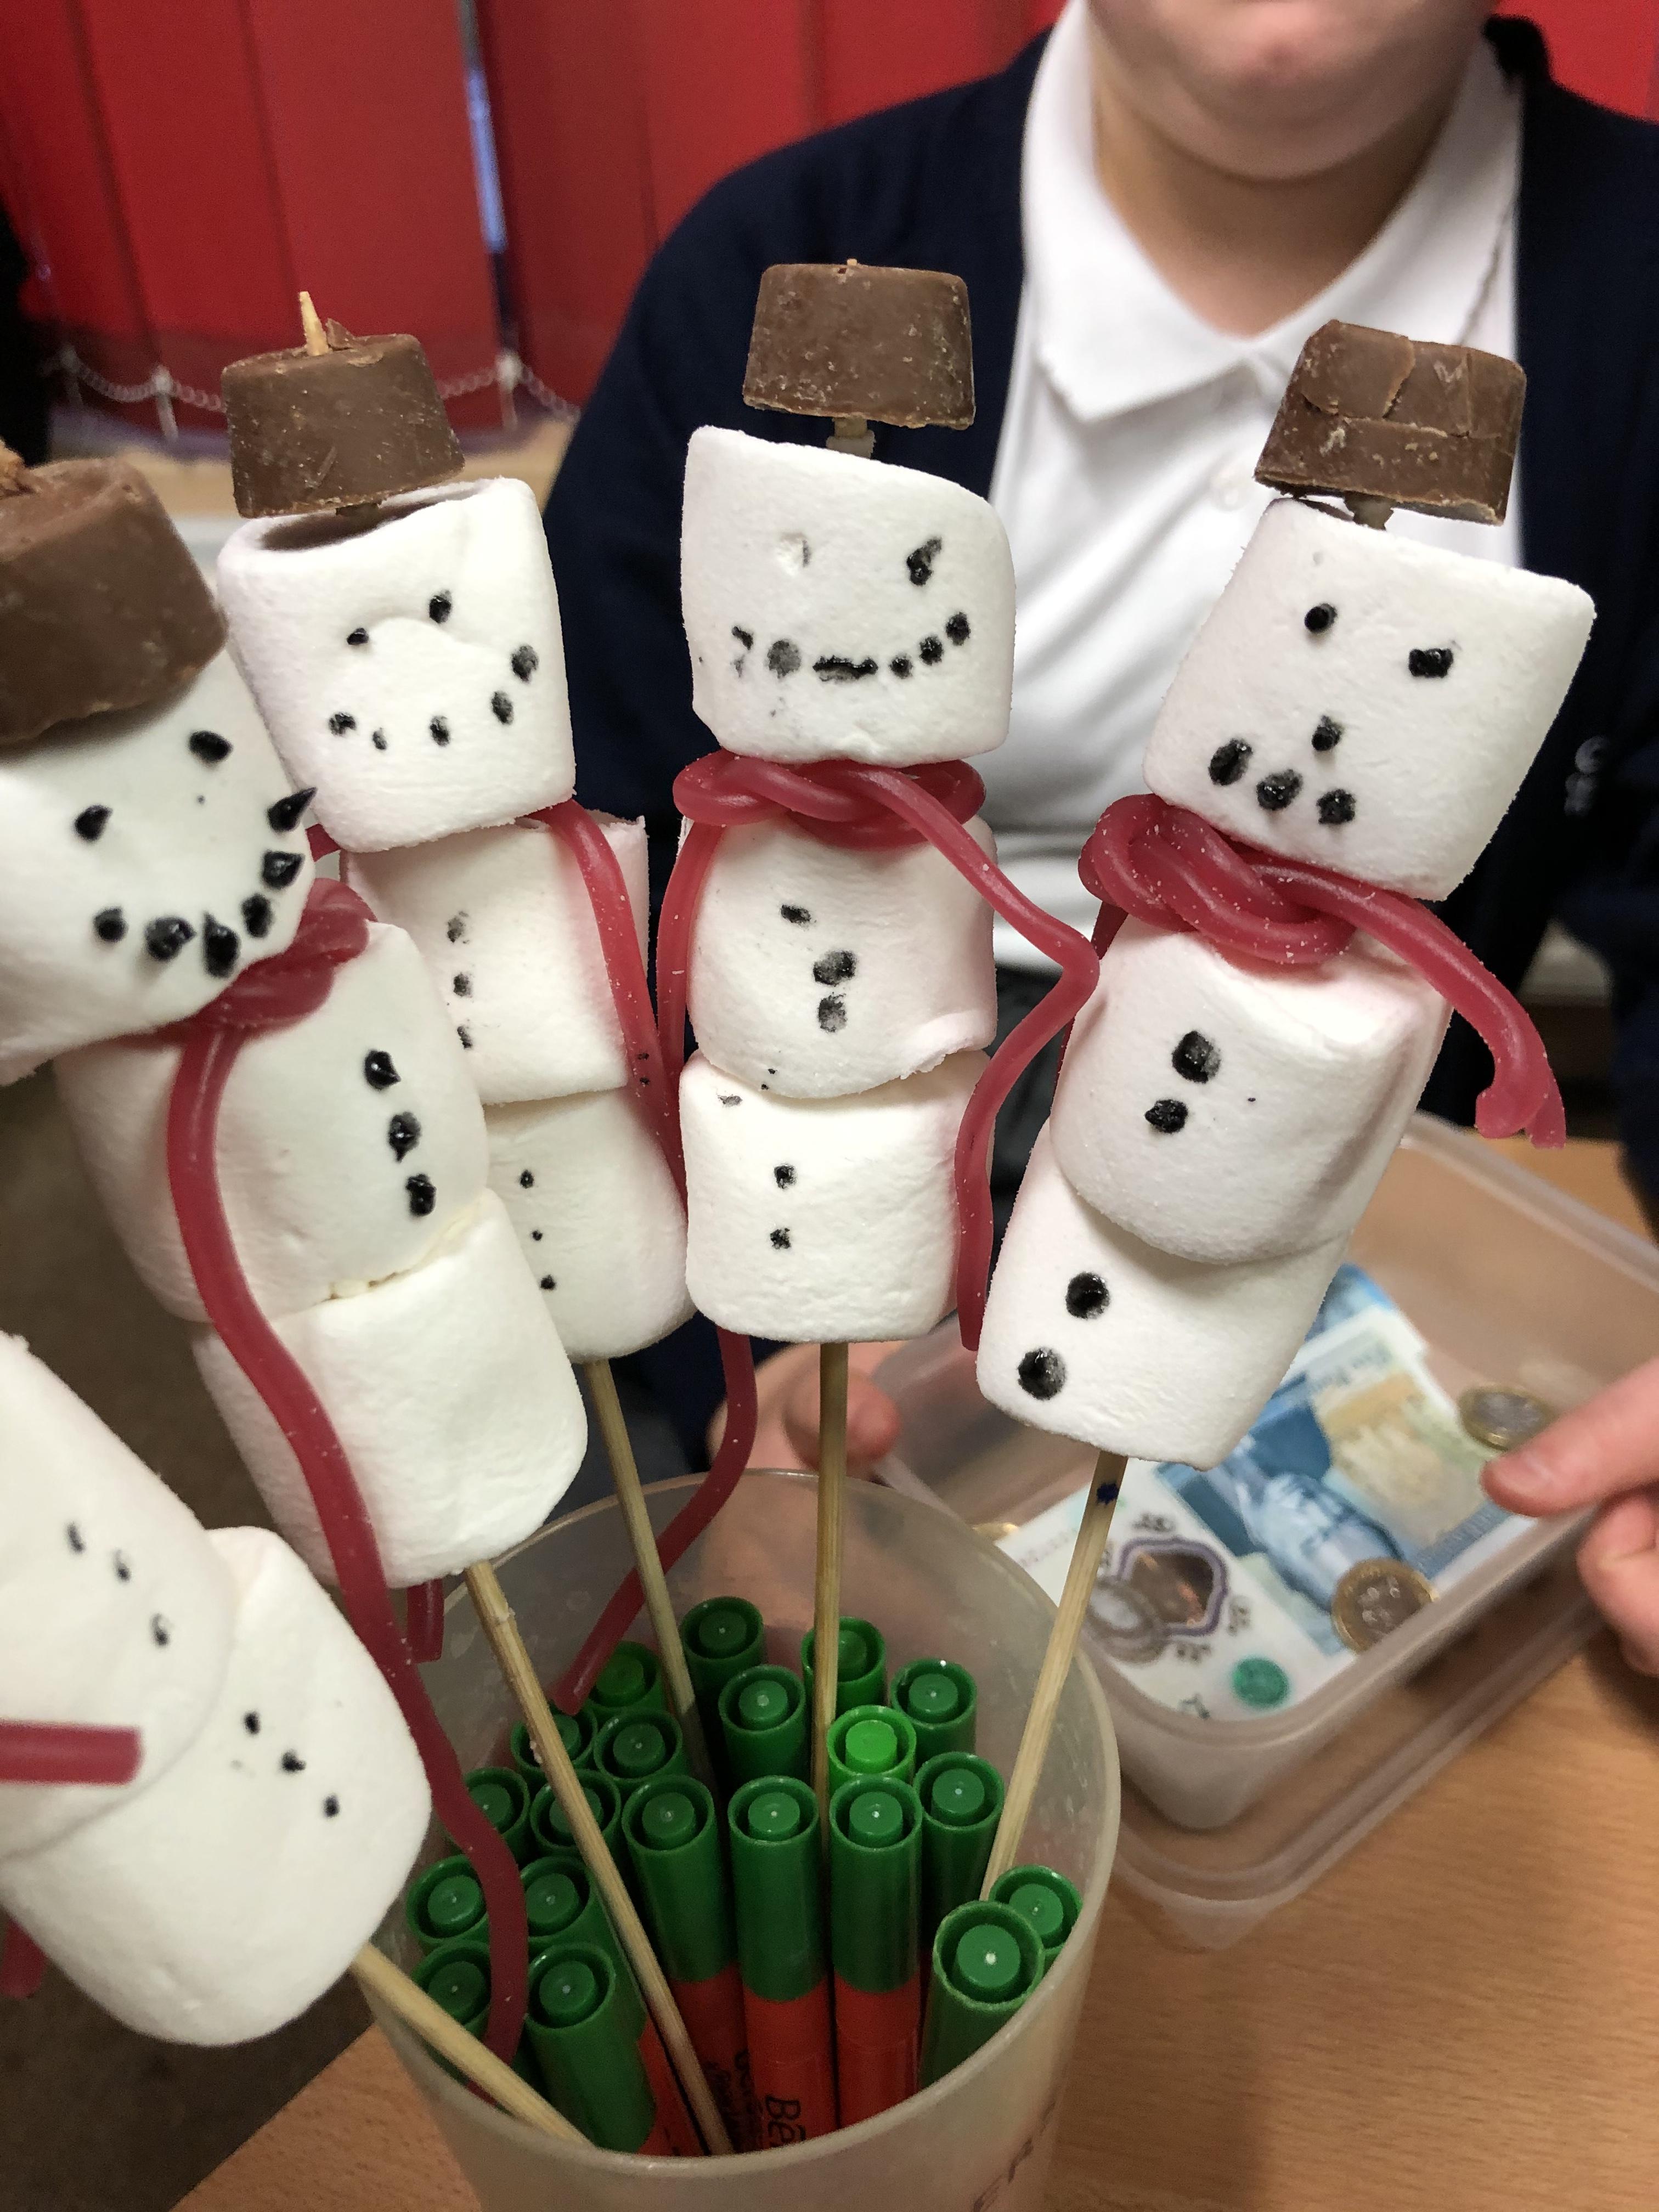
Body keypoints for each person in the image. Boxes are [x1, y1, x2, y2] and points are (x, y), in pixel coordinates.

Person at [545, 4, 1659, 1652]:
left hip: (1322, 1176)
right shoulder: (784, 249)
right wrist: (747, 1324)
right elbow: (590, 875)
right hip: (795, 1152)